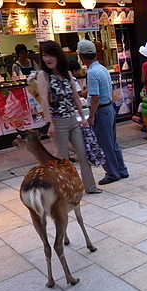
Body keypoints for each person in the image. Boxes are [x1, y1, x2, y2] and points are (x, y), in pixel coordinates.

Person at [36, 40, 101, 194]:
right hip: (57, 122)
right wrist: (49, 123)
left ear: (58, 55)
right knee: (62, 159)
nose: (48, 59)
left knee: (83, 154)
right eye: (44, 55)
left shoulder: (67, 73)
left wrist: (82, 117)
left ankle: (90, 187)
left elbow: (75, 97)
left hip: (73, 120)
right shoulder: (43, 75)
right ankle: (66, 191)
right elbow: (44, 99)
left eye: (51, 55)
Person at [78, 39, 128, 185]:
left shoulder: (92, 72)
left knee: (104, 144)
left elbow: (95, 97)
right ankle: (121, 169)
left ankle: (112, 173)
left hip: (101, 111)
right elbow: (93, 92)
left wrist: (91, 116)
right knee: (112, 142)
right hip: (109, 108)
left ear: (80, 56)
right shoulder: (102, 68)